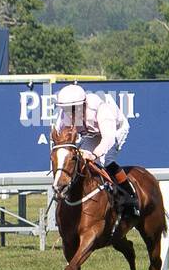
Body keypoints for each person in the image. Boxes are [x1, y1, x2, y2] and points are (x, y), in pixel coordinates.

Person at [53, 83, 139, 218]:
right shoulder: (65, 114)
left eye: (73, 109)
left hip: (115, 130)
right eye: (67, 109)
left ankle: (130, 199)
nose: (70, 113)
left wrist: (94, 154)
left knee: (105, 160)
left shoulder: (100, 109)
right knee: (78, 161)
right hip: (91, 134)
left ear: (83, 104)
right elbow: (59, 137)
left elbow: (108, 138)